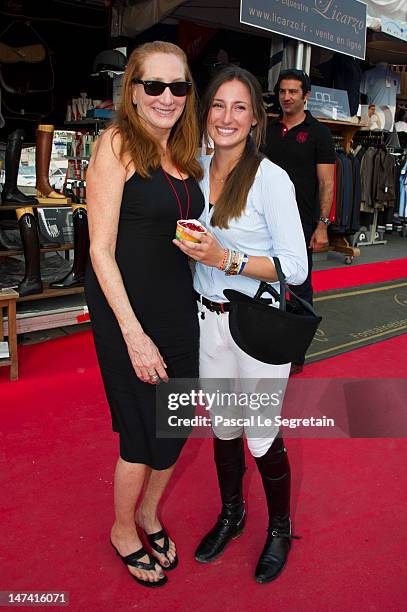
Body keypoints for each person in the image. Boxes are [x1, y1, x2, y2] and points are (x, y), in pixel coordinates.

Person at [173, 66, 307, 583]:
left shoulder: (271, 179)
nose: (227, 117)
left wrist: (228, 259)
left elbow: (295, 268)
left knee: (259, 435)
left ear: (255, 120)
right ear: (205, 113)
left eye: (240, 107)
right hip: (207, 323)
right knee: (224, 427)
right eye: (218, 106)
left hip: (254, 328)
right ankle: (233, 513)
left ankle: (279, 527)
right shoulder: (193, 168)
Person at [85, 41, 204, 588]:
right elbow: (100, 250)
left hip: (179, 308)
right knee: (140, 433)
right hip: (126, 315)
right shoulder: (116, 145)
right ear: (132, 89)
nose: (166, 97)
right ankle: (122, 529)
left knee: (174, 426)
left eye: (177, 86)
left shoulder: (184, 152)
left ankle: (151, 515)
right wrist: (134, 336)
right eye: (153, 86)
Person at [263, 69, 335, 375]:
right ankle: (263, 342)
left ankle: (296, 353)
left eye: (293, 91)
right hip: (264, 219)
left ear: (306, 96)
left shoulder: (318, 132)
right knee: (265, 281)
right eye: (282, 91)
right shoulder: (267, 129)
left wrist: (322, 225)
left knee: (298, 287)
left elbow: (327, 183)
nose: (286, 97)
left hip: (301, 223)